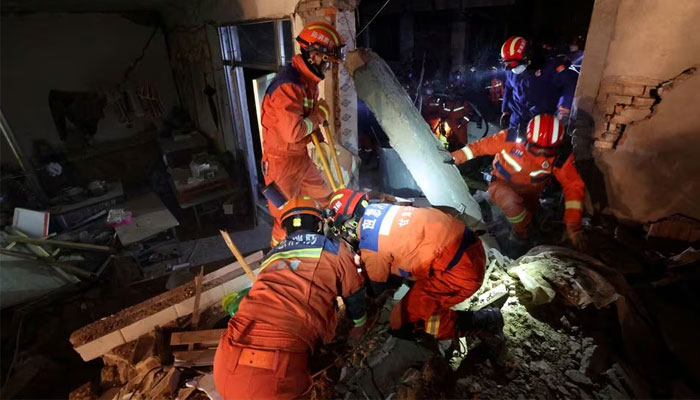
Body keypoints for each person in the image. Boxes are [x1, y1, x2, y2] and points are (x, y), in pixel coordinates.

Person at [213, 197, 367, 399]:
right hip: (273, 372)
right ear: (319, 223)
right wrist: (359, 325)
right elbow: (354, 293)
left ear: (285, 228)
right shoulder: (334, 250)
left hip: (224, 364)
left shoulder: (272, 255)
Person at [327, 189, 504, 345]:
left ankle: (485, 321)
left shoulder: (371, 246)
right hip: (470, 247)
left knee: (402, 320)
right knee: (407, 269)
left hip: (460, 272)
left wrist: (362, 275)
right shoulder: (384, 208)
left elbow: (376, 284)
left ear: (347, 222)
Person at [260, 21, 345, 246]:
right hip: (281, 164)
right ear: (314, 55)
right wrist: (320, 114)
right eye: (327, 62)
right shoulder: (287, 86)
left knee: (326, 198)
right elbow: (294, 132)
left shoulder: (308, 82)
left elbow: (306, 122)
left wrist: (317, 117)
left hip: (300, 159)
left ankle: (333, 244)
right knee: (284, 217)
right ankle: (279, 258)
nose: (327, 68)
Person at [451, 114, 585, 248]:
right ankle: (520, 236)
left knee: (528, 216)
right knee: (511, 203)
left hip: (530, 198)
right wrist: (454, 158)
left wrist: (572, 225)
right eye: (536, 148)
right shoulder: (509, 139)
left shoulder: (561, 157)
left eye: (547, 151)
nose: (541, 153)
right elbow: (478, 147)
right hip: (499, 186)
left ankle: (524, 228)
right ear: (526, 138)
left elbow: (573, 186)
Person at [499, 36, 578, 135]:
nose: (510, 67)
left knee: (536, 149)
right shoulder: (511, 71)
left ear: (527, 56)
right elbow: (508, 87)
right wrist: (505, 111)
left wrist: (565, 107)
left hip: (542, 123)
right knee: (510, 148)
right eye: (506, 64)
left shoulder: (549, 67)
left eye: (512, 63)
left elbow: (570, 82)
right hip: (517, 121)